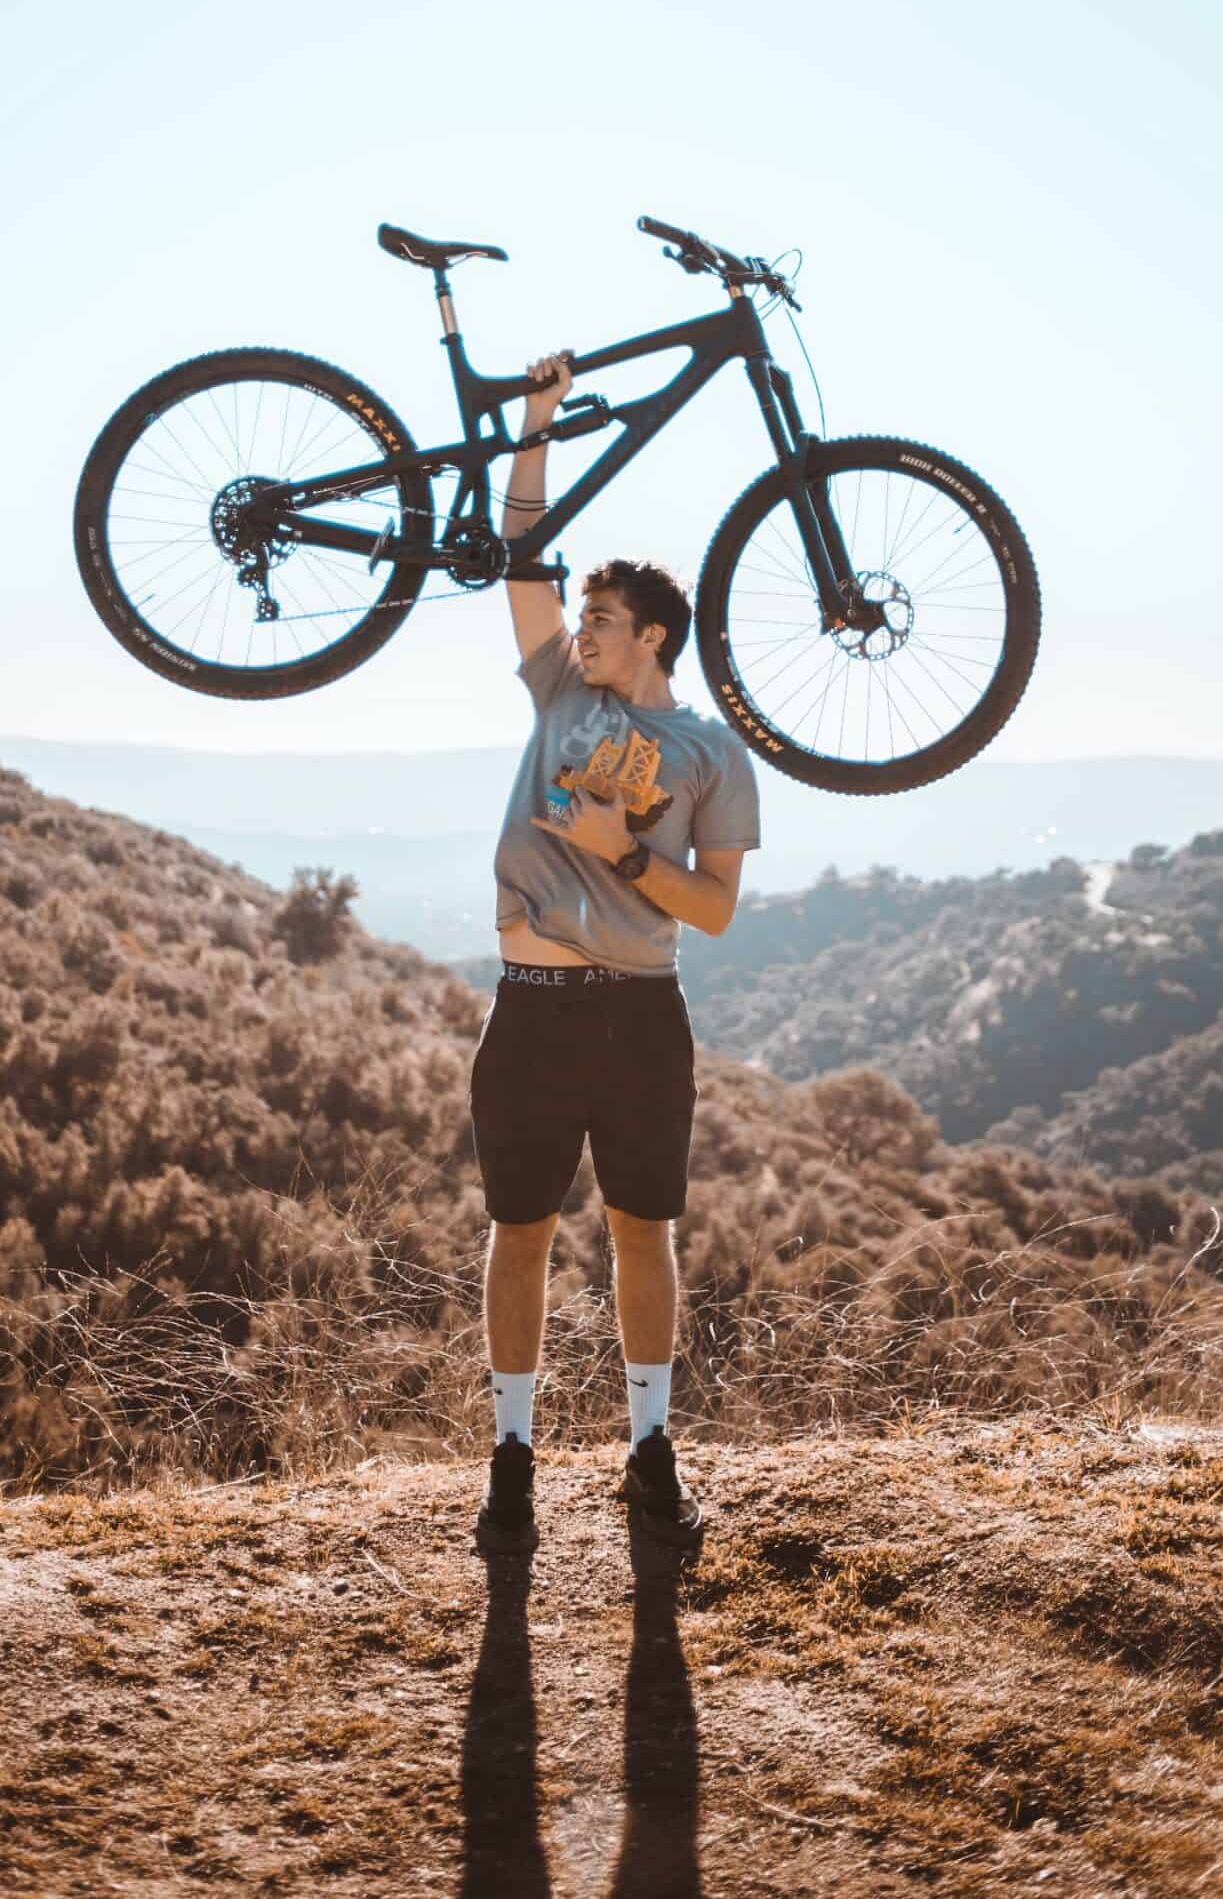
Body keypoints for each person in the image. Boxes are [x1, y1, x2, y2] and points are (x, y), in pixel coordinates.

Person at [471, 348, 760, 1560]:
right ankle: (512, 1464)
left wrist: (622, 851)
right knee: (519, 1235)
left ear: (649, 634)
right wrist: (534, 424)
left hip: (642, 1015)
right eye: (578, 617)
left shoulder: (711, 753)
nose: (577, 629)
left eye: (599, 619)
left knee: (645, 1231)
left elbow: (717, 910)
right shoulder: (556, 698)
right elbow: (521, 557)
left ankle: (651, 1457)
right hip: (529, 1006)